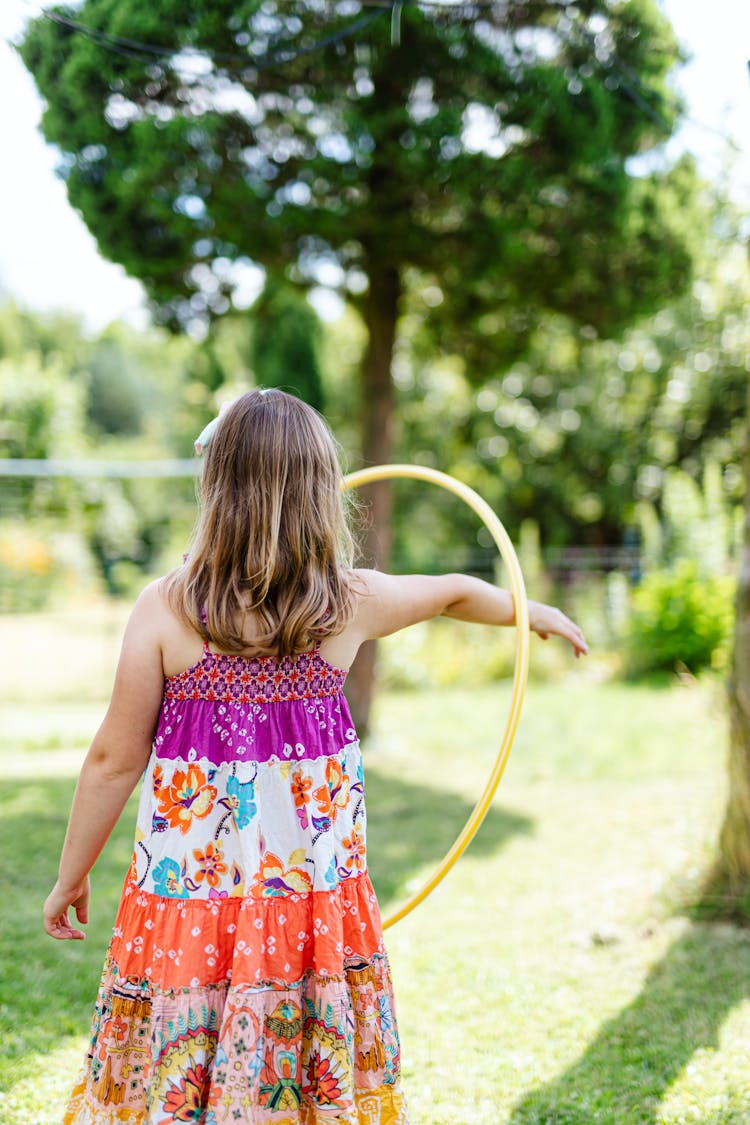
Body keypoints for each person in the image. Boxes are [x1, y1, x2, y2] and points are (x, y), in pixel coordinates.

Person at [45, 389, 588, 1125]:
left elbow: (114, 757)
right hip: (305, 907)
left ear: (217, 490)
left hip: (194, 902)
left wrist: (71, 874)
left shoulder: (167, 609)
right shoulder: (349, 603)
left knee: (186, 1068)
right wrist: (530, 611)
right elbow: (454, 593)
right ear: (321, 496)